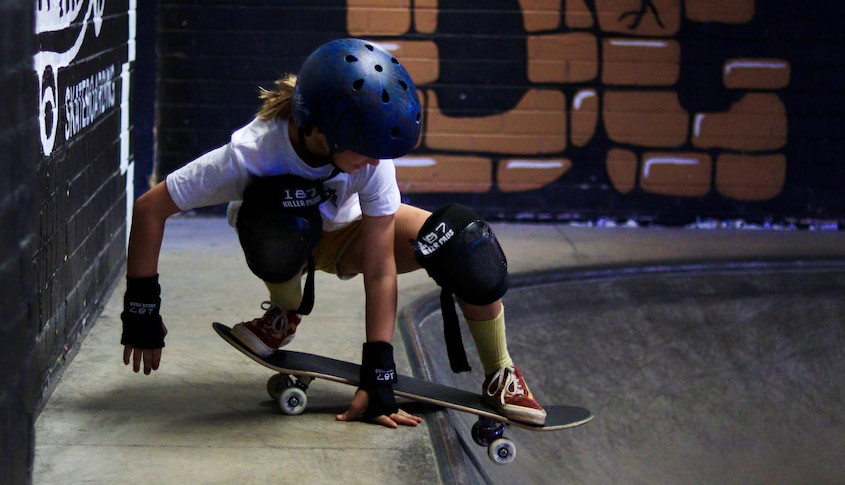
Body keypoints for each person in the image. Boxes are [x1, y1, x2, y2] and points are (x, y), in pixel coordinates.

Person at [120, 38, 547, 428]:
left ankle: (501, 372)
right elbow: (150, 208)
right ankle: (284, 313)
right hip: (282, 234)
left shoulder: (371, 157)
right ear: (321, 127)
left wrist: (378, 375)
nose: (376, 159)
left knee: (463, 240)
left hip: (351, 239)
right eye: (366, 147)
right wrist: (142, 309)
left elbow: (380, 268)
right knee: (277, 217)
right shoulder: (252, 153)